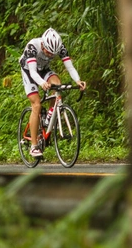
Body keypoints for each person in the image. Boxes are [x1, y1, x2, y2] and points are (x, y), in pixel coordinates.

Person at [19, 27, 86, 157]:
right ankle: (33, 146)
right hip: (29, 70)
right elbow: (33, 72)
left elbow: (70, 67)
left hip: (43, 69)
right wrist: (42, 83)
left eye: (52, 54)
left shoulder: (60, 47)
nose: (50, 55)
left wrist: (78, 81)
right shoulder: (33, 47)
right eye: (48, 52)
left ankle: (50, 115)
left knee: (57, 84)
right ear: (43, 45)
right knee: (37, 105)